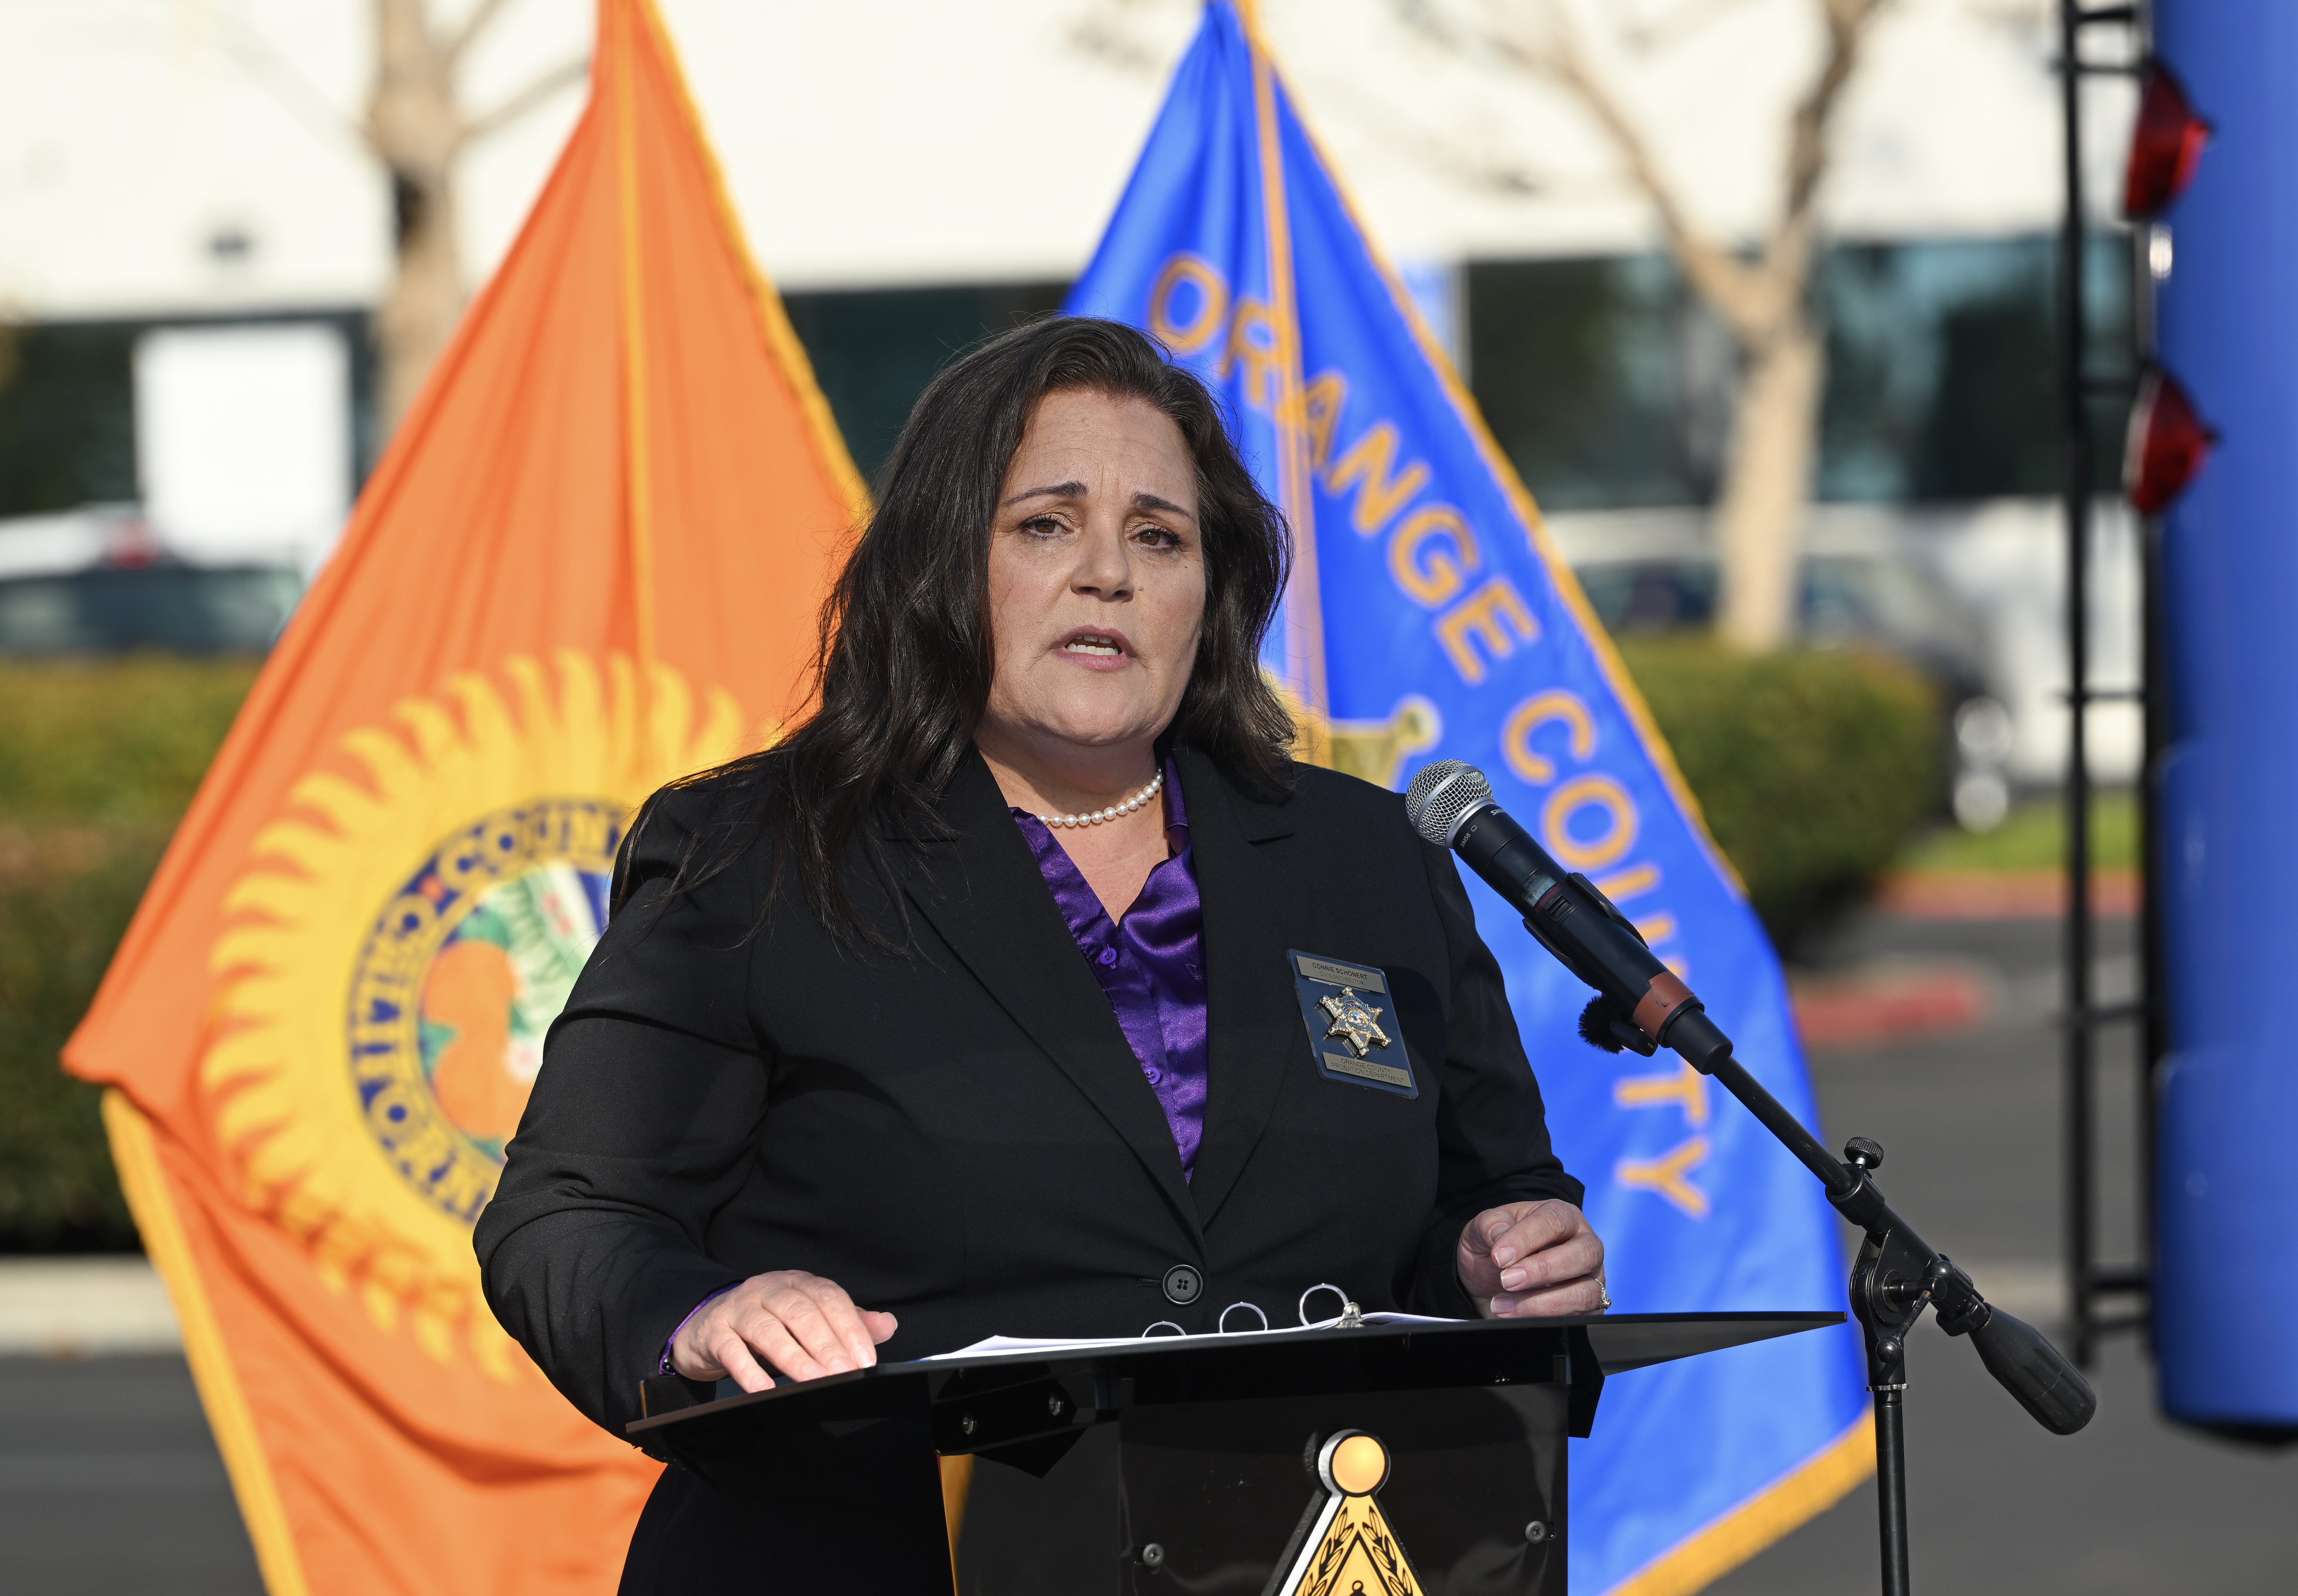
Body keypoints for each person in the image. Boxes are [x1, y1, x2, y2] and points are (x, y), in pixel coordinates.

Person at [474, 317, 1604, 1591]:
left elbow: (1490, 1192)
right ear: (942, 564)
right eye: (1045, 525)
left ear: (1209, 597)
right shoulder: (757, 854)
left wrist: (1504, 1261)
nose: (1107, 574)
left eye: (1159, 538)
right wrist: (696, 1316)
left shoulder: (1366, 857)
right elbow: (567, 1218)